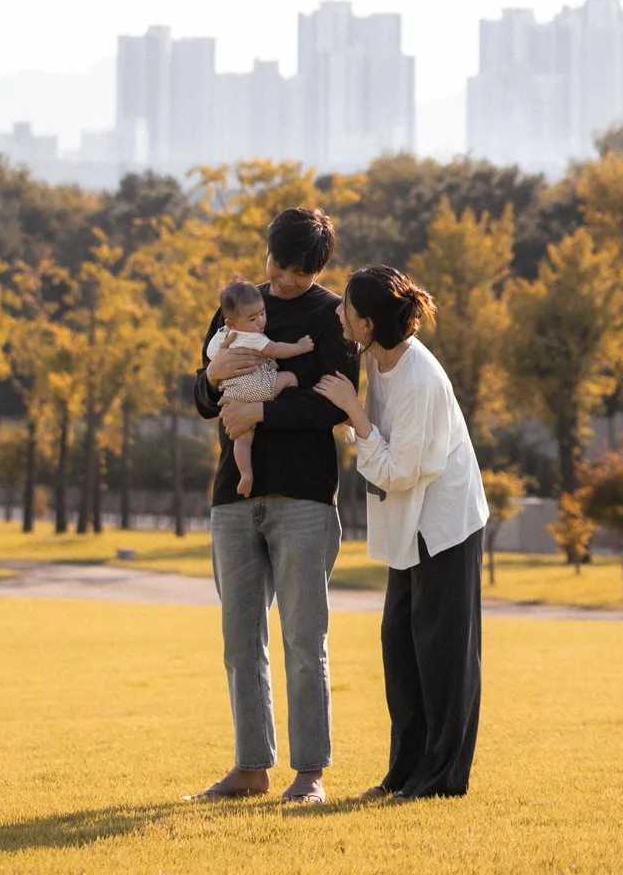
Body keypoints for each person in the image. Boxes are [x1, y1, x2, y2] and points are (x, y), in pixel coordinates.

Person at [188, 205, 358, 808]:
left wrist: (262, 412)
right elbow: (204, 395)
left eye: (295, 273)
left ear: (319, 266)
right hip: (234, 496)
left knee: (303, 640)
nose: (280, 282)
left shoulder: (334, 316)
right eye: (276, 266)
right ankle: (251, 766)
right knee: (240, 641)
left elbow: (334, 405)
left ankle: (309, 773)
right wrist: (211, 379)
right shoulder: (238, 302)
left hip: (305, 498)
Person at [315, 264, 489, 801]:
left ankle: (440, 780)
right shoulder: (375, 357)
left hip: (444, 526)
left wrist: (353, 415)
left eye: (345, 308)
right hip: (409, 526)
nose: (337, 313)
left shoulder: (420, 379)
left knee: (442, 656)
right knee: (401, 647)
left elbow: (401, 470)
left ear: (366, 324)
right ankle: (404, 773)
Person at [205, 278, 316, 496]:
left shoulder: (221, 336)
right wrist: (300, 347)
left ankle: (245, 473)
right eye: (253, 318)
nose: (261, 322)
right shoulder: (252, 338)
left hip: (234, 395)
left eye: (263, 314)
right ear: (232, 324)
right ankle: (278, 407)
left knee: (242, 438)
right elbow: (276, 350)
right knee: (290, 378)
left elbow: (211, 354)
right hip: (259, 389)